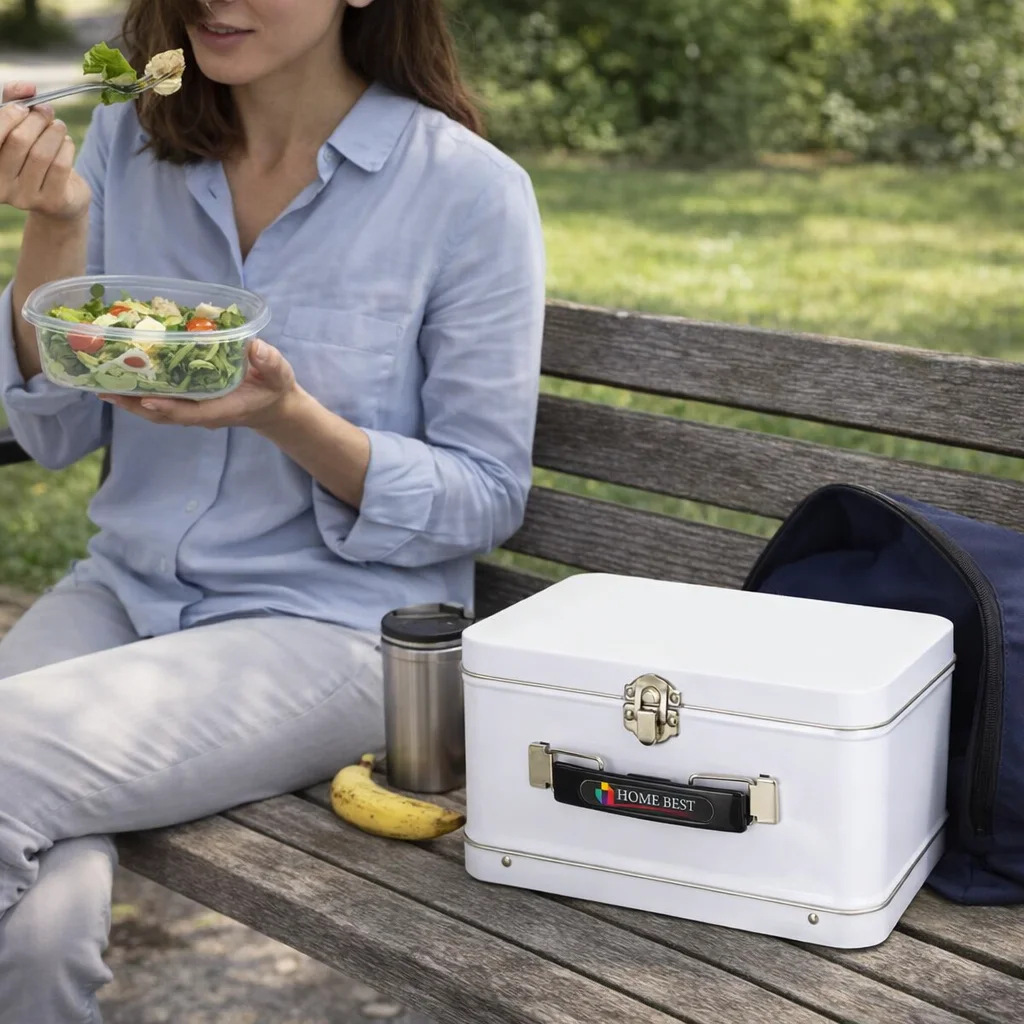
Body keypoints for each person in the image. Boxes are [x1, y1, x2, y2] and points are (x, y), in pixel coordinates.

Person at [0, 0, 545, 1018]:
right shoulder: (129, 135)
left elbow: (484, 494)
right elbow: (56, 431)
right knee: (34, 919)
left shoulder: (467, 193)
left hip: (331, 628)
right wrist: (57, 220)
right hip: (125, 591)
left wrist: (290, 417)